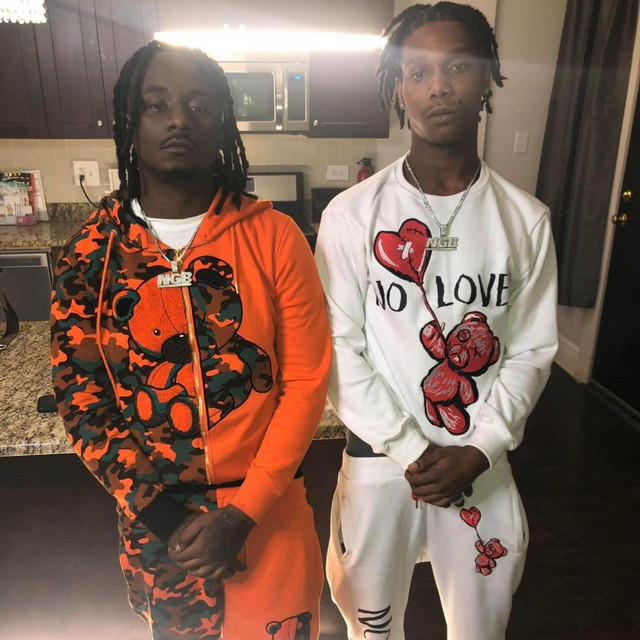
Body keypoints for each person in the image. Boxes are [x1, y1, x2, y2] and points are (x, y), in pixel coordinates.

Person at [51, 40, 331, 640]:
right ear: (131, 121)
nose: (179, 119)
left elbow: (306, 380)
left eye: (199, 105)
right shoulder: (89, 255)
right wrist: (163, 518)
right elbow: (82, 400)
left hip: (270, 510)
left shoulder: (277, 237)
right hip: (160, 530)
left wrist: (245, 512)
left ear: (223, 122)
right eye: (157, 104)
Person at [314, 3, 558, 639]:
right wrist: (413, 449)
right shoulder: (351, 216)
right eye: (418, 72)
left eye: (457, 67)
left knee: (481, 630)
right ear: (399, 88)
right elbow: (338, 347)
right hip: (379, 464)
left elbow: (531, 351)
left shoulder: (525, 220)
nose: (439, 86)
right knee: (371, 629)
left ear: (486, 78)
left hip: (480, 465)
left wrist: (480, 447)